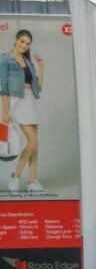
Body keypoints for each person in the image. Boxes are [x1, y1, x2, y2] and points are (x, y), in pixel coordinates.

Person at [1, 29, 45, 194]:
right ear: (16, 40)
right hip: (17, 101)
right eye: (22, 41)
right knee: (32, 141)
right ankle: (15, 175)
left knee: (36, 144)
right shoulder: (6, 58)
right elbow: (3, 86)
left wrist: (42, 66)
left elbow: (38, 88)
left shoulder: (28, 61)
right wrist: (4, 112)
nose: (25, 45)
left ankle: (32, 182)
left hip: (31, 101)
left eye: (27, 44)